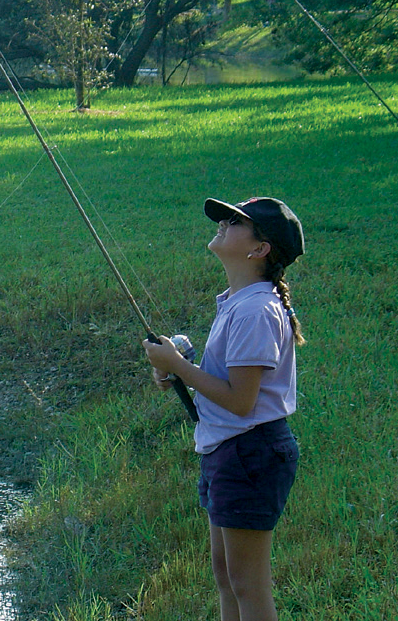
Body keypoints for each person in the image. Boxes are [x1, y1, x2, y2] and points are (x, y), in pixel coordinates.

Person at [142, 197, 304, 621]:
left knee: (248, 583)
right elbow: (226, 386)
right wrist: (178, 373)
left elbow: (241, 400)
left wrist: (179, 366)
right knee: (226, 574)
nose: (223, 225)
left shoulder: (254, 310)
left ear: (259, 249)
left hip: (251, 452)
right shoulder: (239, 301)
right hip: (230, 450)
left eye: (235, 222)